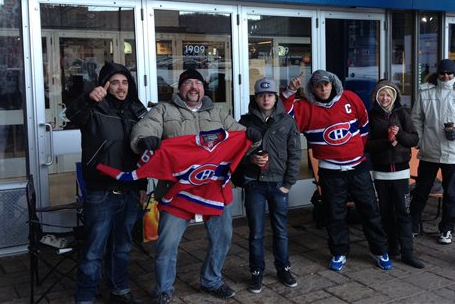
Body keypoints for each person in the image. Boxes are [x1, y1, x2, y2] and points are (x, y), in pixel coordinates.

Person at [130, 68, 258, 303]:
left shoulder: (218, 112)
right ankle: (164, 289)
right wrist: (143, 141)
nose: (193, 87)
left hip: (214, 188)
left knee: (223, 237)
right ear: (180, 88)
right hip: (177, 190)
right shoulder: (163, 110)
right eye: (188, 83)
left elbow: (239, 134)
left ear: (203, 89)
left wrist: (252, 136)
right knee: (167, 243)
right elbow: (144, 128)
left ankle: (211, 280)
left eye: (197, 83)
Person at [281, 70, 392, 272]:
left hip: (358, 167)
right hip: (330, 171)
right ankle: (339, 251)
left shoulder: (350, 98)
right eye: (318, 86)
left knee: (370, 211)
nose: (323, 88)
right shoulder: (305, 108)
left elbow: (364, 124)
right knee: (335, 214)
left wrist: (355, 149)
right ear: (312, 89)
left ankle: (380, 250)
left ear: (333, 84)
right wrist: (289, 91)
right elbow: (285, 117)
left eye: (326, 84)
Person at [67, 61, 147, 304]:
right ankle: (85, 297)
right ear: (105, 84)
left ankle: (119, 290)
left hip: (130, 190)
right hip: (101, 191)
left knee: (122, 247)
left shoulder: (137, 110)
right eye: (115, 82)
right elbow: (71, 115)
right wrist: (88, 99)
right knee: (93, 251)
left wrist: (143, 185)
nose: (120, 87)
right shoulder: (94, 107)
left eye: (124, 82)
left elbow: (144, 152)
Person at [238, 77, 301, 293]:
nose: (266, 99)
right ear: (255, 98)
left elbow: (295, 154)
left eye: (270, 95)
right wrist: (250, 160)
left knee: (281, 230)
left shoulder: (287, 121)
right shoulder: (245, 122)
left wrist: (288, 183)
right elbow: (235, 154)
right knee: (256, 231)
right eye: (262, 95)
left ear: (276, 97)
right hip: (254, 184)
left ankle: (283, 267)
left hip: (278, 185)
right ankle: (256, 272)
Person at [410, 59, 455, 244]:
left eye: (449, 73)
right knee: (421, 190)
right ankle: (413, 224)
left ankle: (446, 229)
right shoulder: (425, 91)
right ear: (437, 73)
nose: (446, 77)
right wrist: (421, 139)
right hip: (429, 149)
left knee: (450, 193)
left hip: (453, 152)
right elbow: (416, 117)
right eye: (442, 73)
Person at [365, 80, 424, 269]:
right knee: (385, 213)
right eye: (381, 94)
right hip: (381, 172)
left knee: (403, 212)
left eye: (388, 94)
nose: (385, 98)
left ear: (394, 96)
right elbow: (366, 144)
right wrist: (385, 142)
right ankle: (392, 247)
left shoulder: (402, 114)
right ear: (376, 97)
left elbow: (414, 139)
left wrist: (399, 136)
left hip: (400, 171)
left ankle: (408, 252)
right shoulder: (371, 116)